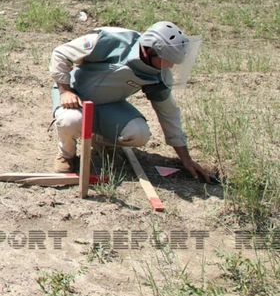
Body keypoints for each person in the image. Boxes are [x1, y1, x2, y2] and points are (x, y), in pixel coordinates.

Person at [49, 21, 211, 182]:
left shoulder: (159, 75)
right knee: (70, 121)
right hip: (75, 97)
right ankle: (66, 155)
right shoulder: (111, 40)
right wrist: (65, 90)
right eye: (167, 59)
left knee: (139, 133)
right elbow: (60, 53)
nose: (170, 65)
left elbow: (168, 112)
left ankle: (100, 141)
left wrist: (186, 159)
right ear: (150, 51)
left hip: (109, 105)